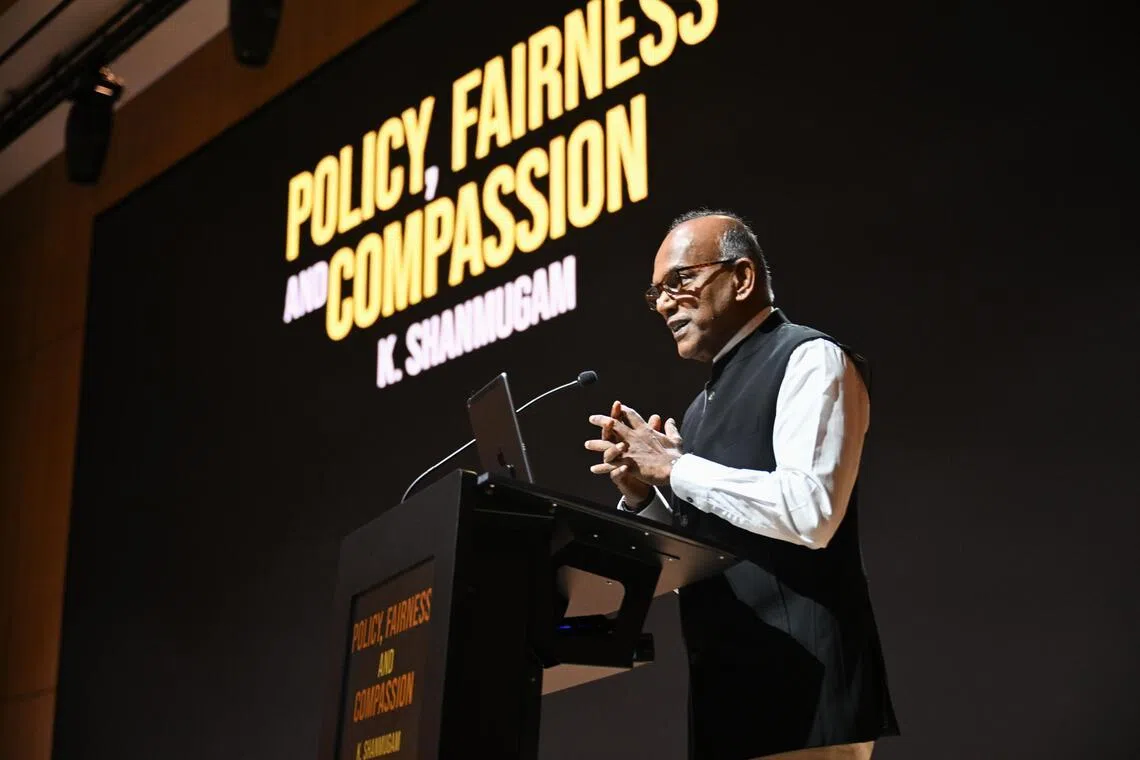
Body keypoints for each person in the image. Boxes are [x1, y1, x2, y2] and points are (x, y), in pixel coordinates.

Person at [584, 210, 899, 759]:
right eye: (655, 292)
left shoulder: (809, 358)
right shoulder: (699, 408)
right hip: (727, 704)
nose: (662, 304)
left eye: (678, 282)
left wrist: (676, 470)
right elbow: (705, 554)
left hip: (806, 698)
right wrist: (643, 496)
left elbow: (811, 512)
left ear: (743, 278)